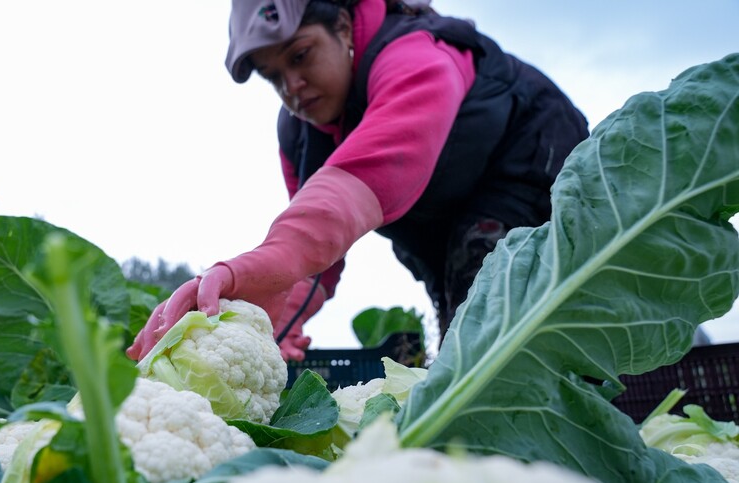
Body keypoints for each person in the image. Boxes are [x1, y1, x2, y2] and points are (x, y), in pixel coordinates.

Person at [126, 0, 589, 362]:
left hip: (535, 170)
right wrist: (266, 328)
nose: (292, 86)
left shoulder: (415, 57)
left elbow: (368, 174)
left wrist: (255, 261)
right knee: (460, 328)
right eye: (274, 77)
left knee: (494, 326)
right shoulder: (299, 134)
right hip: (439, 231)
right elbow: (313, 260)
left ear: (344, 28)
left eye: (301, 56)